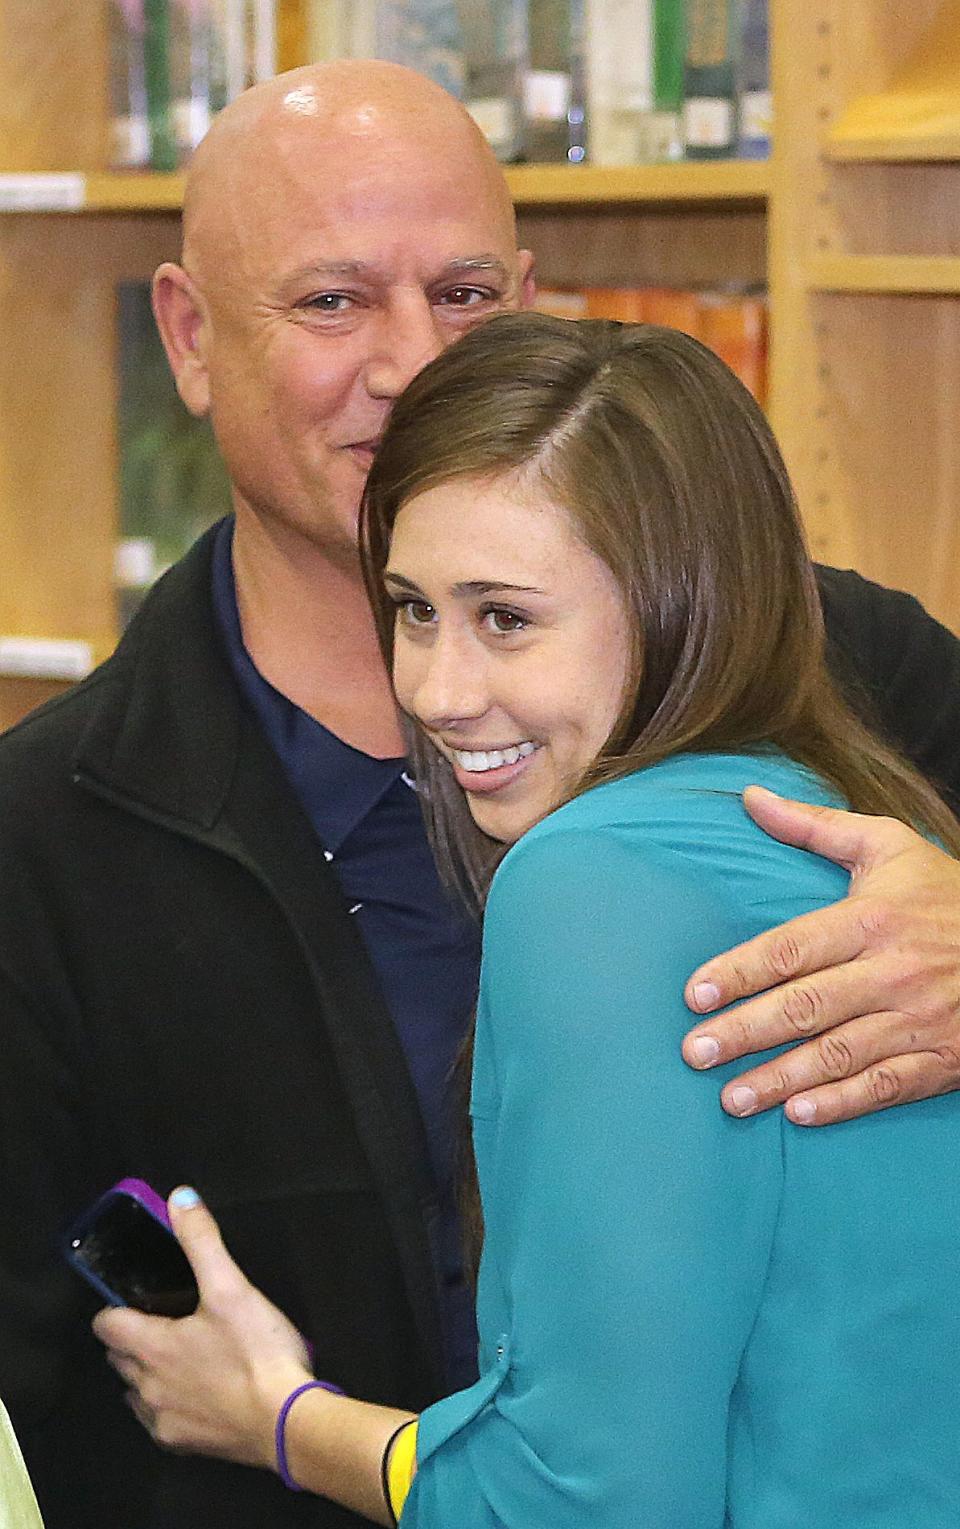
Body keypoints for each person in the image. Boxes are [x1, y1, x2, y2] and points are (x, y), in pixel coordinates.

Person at [2, 56, 960, 1529]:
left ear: (530, 300)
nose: (413, 363)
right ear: (188, 337)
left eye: (463, 297)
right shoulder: (41, 840)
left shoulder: (854, 671)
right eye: (333, 301)